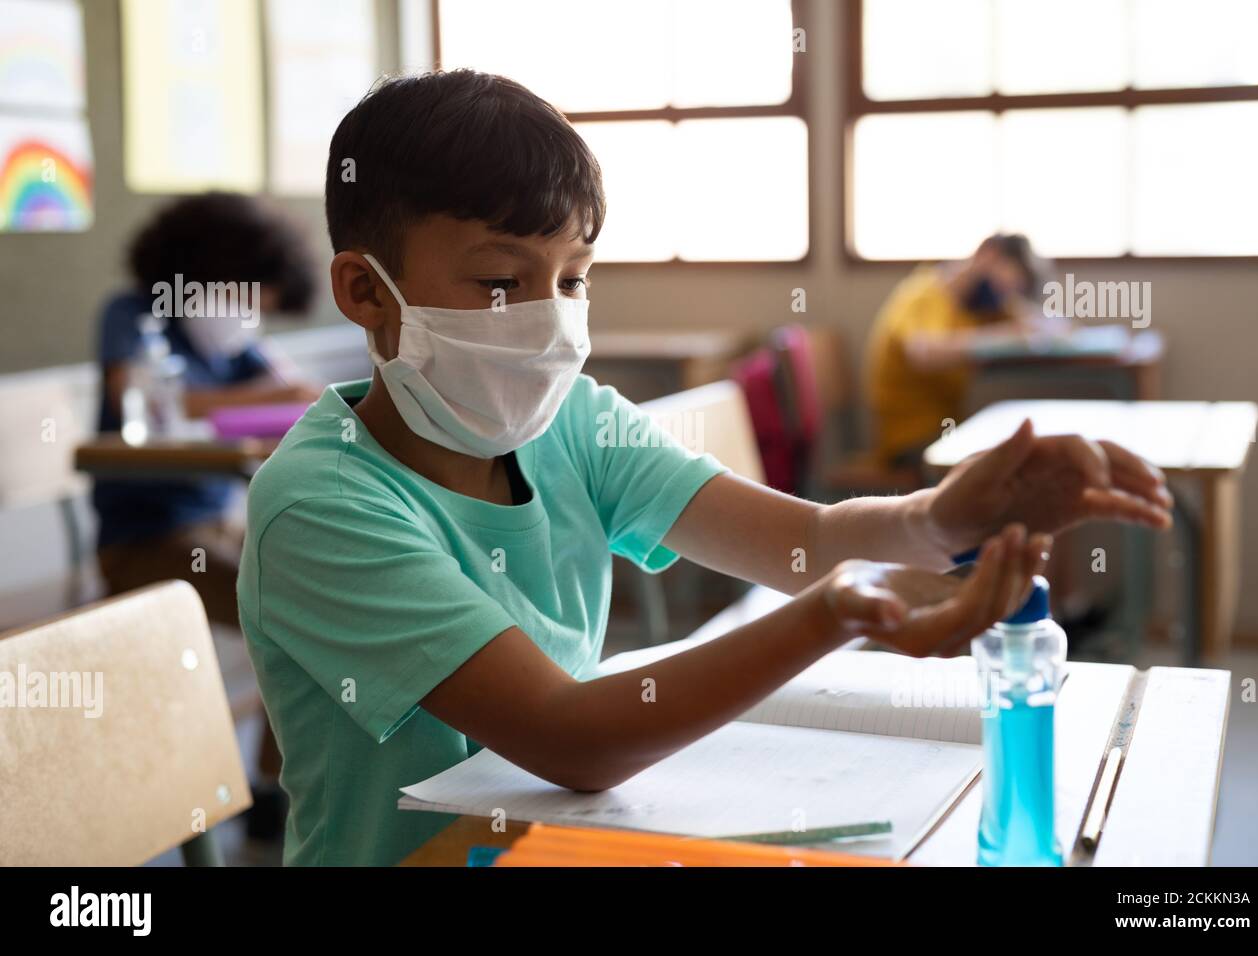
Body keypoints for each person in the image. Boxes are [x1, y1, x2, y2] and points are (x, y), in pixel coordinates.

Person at [237, 71, 1172, 866]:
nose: (553, 318)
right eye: (500, 281)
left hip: (548, 842)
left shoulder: (572, 427)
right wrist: (838, 613)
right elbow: (571, 738)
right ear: (366, 291)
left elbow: (803, 541)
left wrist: (941, 518)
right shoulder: (323, 505)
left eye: (574, 279)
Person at [93, 192, 320, 625]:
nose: (249, 316)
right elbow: (137, 401)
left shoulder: (229, 343)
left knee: (324, 581)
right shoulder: (135, 316)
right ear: (212, 271)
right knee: (286, 614)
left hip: (220, 524)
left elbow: (298, 391)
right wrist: (273, 397)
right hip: (143, 541)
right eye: (247, 301)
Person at [865, 234, 1055, 472]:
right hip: (910, 441)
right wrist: (1004, 335)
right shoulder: (924, 294)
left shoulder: (977, 305)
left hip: (948, 429)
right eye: (1005, 286)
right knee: (1009, 465)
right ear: (988, 256)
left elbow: (1041, 324)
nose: (1005, 295)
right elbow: (922, 353)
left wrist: (1031, 321)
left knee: (1024, 451)